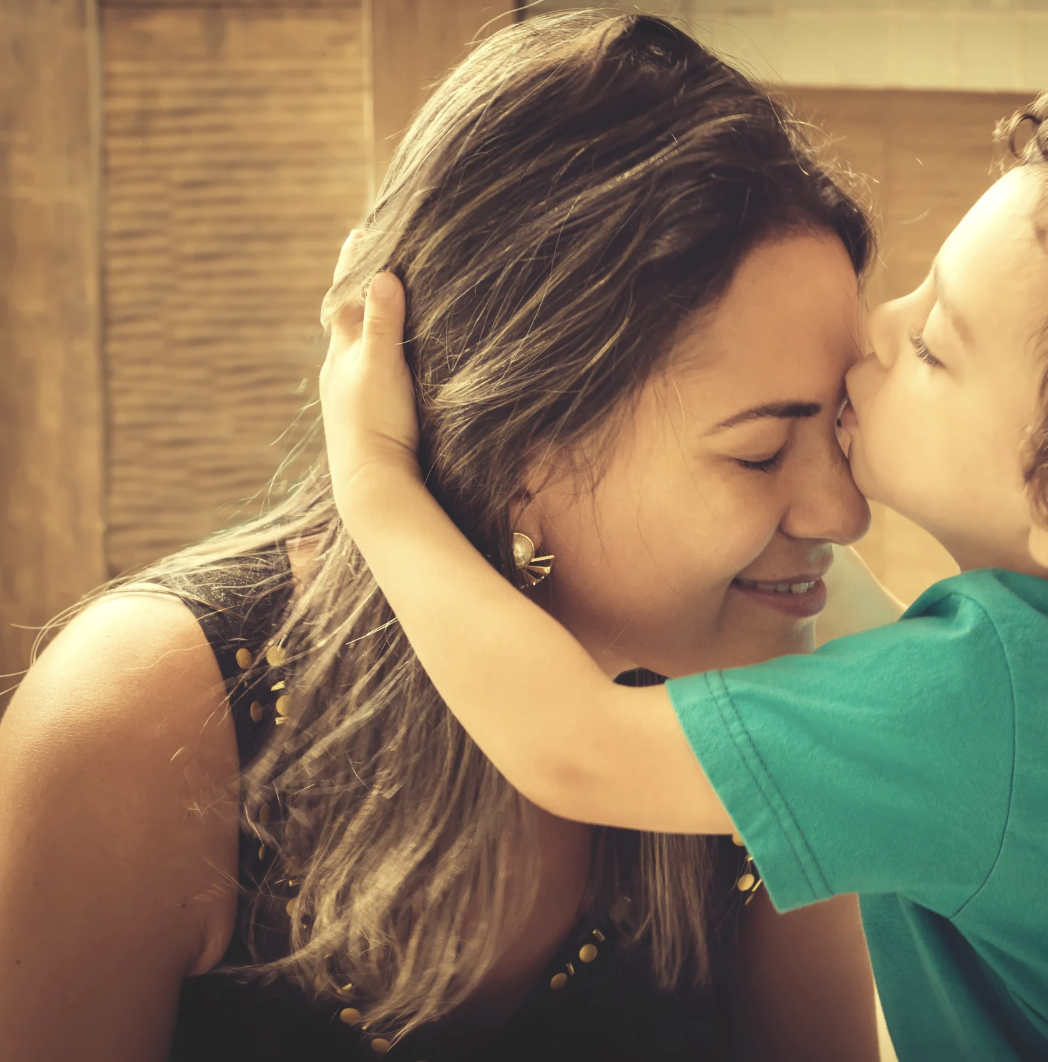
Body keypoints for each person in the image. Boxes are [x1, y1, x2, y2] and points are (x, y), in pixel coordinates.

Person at [320, 62, 1048, 1061]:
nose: (875, 332)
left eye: (931, 344)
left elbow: (571, 751)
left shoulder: (988, 711)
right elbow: (864, 632)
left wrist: (377, 474)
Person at [0, 13, 892, 1061]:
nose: (845, 514)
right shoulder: (145, 719)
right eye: (757, 453)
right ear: (523, 452)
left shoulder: (789, 696)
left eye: (841, 427)